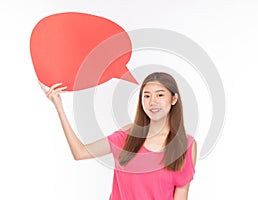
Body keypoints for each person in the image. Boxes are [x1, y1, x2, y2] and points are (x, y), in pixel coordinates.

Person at [39, 72, 197, 200]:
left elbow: (181, 197)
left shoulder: (186, 145)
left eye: (160, 95)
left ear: (174, 99)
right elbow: (80, 152)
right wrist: (58, 106)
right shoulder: (127, 136)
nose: (152, 102)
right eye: (147, 96)